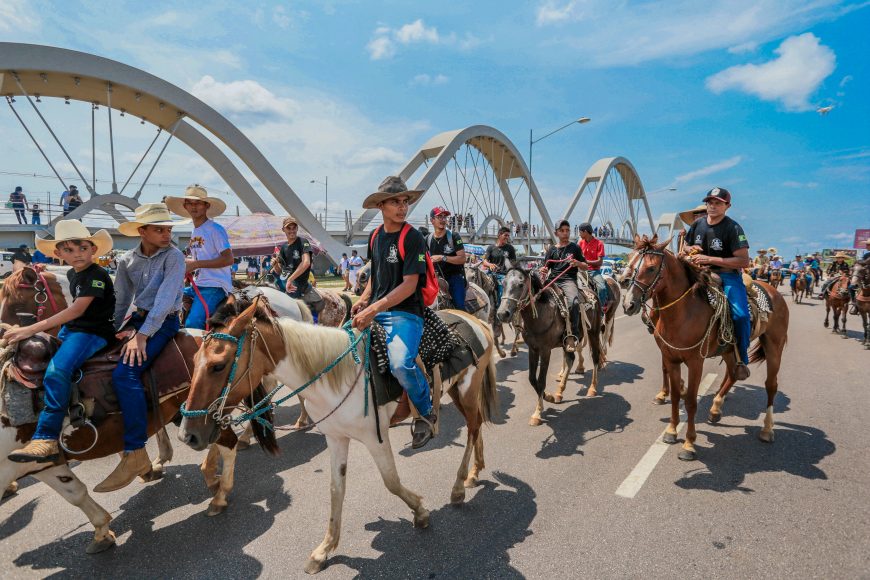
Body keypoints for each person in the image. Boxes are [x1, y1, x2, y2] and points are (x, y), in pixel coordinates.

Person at [6, 220, 116, 463]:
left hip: (92, 332)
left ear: (93, 250)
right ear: (58, 254)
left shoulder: (97, 275)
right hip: (74, 329)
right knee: (36, 353)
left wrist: (31, 328)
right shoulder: (74, 273)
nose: (76, 254)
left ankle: (46, 437)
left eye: (82, 248)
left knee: (57, 371)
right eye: (68, 250)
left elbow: (77, 310)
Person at [98, 203, 189, 491]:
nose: (166, 234)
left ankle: (136, 449)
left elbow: (164, 302)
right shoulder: (126, 261)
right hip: (137, 319)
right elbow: (122, 300)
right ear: (142, 232)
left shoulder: (174, 256)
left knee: (124, 374)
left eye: (168, 229)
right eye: (159, 229)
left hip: (164, 322)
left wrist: (142, 335)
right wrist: (111, 331)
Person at [352, 176, 435, 449]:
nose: (402, 207)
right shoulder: (375, 236)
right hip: (377, 309)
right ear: (381, 206)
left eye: (405, 201)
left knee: (401, 363)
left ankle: (425, 412)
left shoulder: (412, 238)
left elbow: (410, 285)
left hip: (405, 313)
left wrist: (374, 308)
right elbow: (376, 277)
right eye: (395, 202)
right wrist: (364, 300)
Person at [681, 187, 752, 380]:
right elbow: (686, 245)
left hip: (728, 276)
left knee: (741, 315)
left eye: (718, 203)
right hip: (699, 273)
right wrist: (690, 249)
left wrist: (710, 259)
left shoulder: (733, 228)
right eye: (710, 202)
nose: (712, 206)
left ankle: (741, 359)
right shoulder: (698, 225)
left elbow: (743, 261)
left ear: (727, 206)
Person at [165, 185, 233, 330]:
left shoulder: (215, 229)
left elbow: (228, 259)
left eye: (198, 203)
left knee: (193, 324)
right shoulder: (195, 231)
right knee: (163, 296)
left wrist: (195, 264)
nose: (193, 207)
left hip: (214, 285)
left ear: (206, 205)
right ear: (185, 206)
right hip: (199, 284)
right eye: (189, 203)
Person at [540, 220, 587, 352]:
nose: (565, 233)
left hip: (568, 280)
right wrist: (543, 270)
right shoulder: (551, 250)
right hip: (552, 280)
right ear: (556, 233)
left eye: (567, 230)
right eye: (562, 231)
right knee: (533, 295)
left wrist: (577, 263)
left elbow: (585, 266)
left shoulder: (575, 248)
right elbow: (546, 267)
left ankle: (573, 335)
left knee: (574, 302)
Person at [427, 206, 467, 309]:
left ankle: (462, 322)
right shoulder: (427, 239)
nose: (443, 219)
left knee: (459, 306)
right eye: (439, 217)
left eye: (445, 217)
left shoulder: (454, 236)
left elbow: (462, 258)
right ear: (432, 220)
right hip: (434, 278)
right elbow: (421, 258)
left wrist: (443, 257)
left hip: (453, 277)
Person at [273, 216, 318, 308]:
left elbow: (306, 263)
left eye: (294, 228)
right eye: (288, 228)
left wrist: (290, 279)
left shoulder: (303, 242)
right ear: (283, 230)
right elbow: (279, 271)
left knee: (287, 308)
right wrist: (275, 265)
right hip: (283, 280)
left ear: (297, 228)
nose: (292, 231)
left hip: (298, 282)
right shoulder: (284, 247)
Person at [578, 222, 609, 315]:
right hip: (581, 271)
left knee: (602, 288)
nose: (579, 234)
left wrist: (585, 262)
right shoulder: (580, 243)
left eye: (580, 232)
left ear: (585, 232)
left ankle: (600, 312)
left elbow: (600, 262)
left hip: (594, 271)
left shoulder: (599, 244)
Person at [482, 226, 517, 306]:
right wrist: (490, 264)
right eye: (506, 235)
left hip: (503, 276)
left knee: (501, 293)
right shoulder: (491, 248)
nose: (507, 237)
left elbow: (513, 264)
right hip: (490, 274)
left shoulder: (510, 248)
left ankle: (499, 308)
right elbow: (484, 261)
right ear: (499, 235)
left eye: (508, 236)